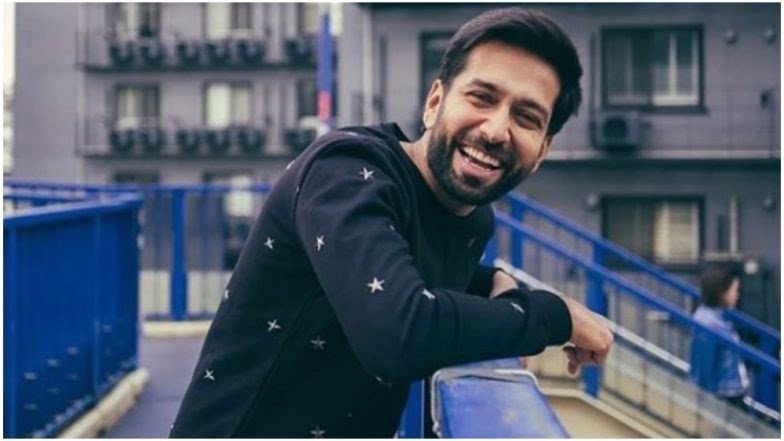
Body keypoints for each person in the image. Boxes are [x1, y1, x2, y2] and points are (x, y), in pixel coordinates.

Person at [170, 7, 613, 438]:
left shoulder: (473, 221)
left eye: (526, 118)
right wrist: (553, 316)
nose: (496, 130)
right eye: (482, 98)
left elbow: (414, 268)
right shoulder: (345, 170)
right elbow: (397, 335)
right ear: (435, 103)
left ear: (541, 151)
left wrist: (489, 282)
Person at [690, 263, 750, 409]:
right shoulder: (709, 322)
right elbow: (705, 366)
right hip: (724, 394)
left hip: (730, 390)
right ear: (722, 292)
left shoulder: (719, 317)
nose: (737, 295)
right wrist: (708, 402)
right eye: (734, 290)